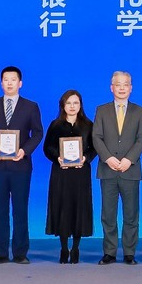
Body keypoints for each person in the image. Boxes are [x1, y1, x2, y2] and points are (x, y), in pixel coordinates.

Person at [0, 65, 44, 265]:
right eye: (6, 80)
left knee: (20, 210)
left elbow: (38, 132)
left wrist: (25, 150)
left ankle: (20, 252)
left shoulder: (31, 106)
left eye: (13, 80)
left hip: (20, 166)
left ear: (20, 83)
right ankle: (0, 253)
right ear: (1, 83)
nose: (9, 83)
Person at [91, 70, 142, 265]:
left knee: (131, 215)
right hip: (108, 170)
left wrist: (129, 160)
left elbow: (141, 139)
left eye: (125, 84)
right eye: (118, 84)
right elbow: (96, 137)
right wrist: (107, 158)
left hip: (130, 170)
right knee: (108, 214)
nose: (122, 88)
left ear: (131, 88)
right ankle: (110, 252)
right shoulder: (102, 110)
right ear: (111, 88)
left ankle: (129, 252)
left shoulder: (139, 111)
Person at [43, 90, 96, 264]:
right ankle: (64, 248)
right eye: (69, 103)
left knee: (78, 208)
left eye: (76, 103)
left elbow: (94, 148)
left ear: (80, 105)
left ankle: (76, 248)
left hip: (81, 173)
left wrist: (85, 158)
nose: (72, 106)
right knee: (63, 208)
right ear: (63, 105)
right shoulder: (55, 125)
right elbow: (47, 148)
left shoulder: (88, 125)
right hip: (61, 173)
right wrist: (58, 158)